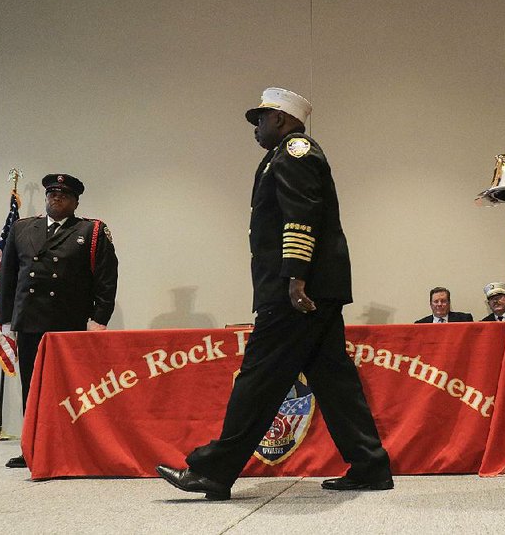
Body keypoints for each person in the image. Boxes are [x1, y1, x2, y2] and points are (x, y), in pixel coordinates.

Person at [156, 87, 393, 500]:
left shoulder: (295, 152)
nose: (255, 128)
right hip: (312, 288)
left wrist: (295, 278)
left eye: (260, 119)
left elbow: (301, 215)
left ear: (281, 120)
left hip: (295, 292)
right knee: (333, 378)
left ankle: (215, 470)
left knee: (259, 378)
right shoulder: (283, 154)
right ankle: (370, 465)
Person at [0, 173, 118, 468]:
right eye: (52, 193)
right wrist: (6, 320)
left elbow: (106, 279)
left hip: (70, 323)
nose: (56, 198)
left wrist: (98, 320)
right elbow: (8, 276)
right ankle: (34, 447)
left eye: (63, 195)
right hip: (30, 322)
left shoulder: (90, 231)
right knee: (33, 386)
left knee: (71, 390)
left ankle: (71, 446)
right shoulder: (23, 229)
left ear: (75, 201)